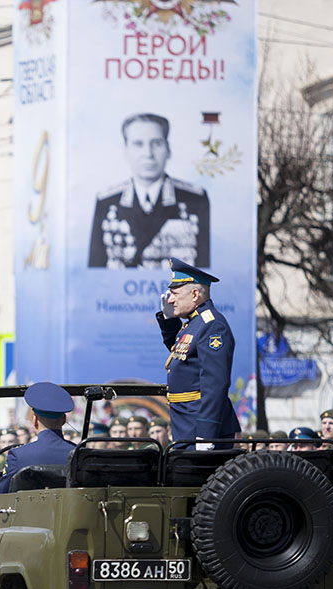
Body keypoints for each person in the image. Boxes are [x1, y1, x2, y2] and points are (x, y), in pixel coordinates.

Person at [89, 113, 209, 269]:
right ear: (126, 151)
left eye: (157, 143)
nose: (148, 154)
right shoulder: (107, 202)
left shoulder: (194, 200)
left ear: (168, 149)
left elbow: (204, 269)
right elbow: (96, 274)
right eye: (138, 144)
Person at [155, 259, 240, 449]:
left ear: (194, 294)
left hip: (200, 429)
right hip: (187, 425)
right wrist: (169, 321)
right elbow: (180, 355)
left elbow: (215, 383)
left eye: (175, 294)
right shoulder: (195, 323)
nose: (170, 299)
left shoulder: (212, 325)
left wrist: (206, 433)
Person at [0, 382, 76, 494]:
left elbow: (0, 496)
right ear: (63, 420)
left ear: (35, 421)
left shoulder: (18, 455)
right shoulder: (79, 454)